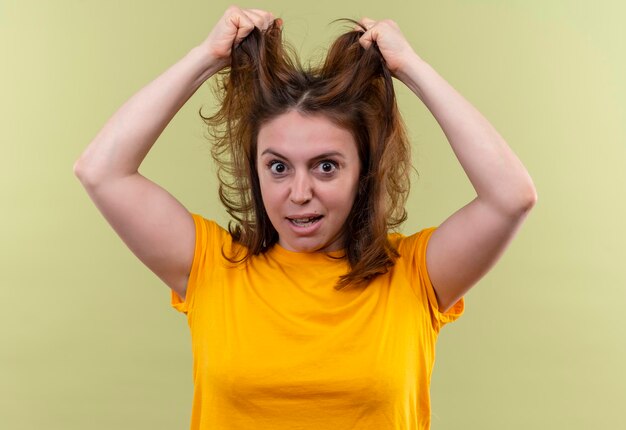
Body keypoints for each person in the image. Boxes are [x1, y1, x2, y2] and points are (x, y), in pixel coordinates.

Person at [74, 6, 537, 430]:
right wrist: (205, 57)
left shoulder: (415, 274)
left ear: (364, 172)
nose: (299, 193)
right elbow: (101, 170)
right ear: (255, 170)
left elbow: (510, 197)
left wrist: (411, 69)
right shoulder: (211, 266)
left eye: (326, 166)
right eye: (278, 166)